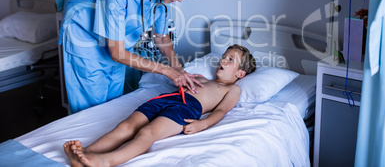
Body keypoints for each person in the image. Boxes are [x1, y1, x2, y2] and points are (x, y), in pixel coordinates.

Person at [63, 44, 256, 167]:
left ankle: (106, 161)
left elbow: (222, 111)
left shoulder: (233, 90)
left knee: (148, 133)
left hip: (186, 109)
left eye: (230, 60)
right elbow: (178, 81)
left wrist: (202, 124)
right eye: (224, 56)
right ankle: (85, 153)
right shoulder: (202, 77)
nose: (223, 60)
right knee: (125, 126)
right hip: (166, 98)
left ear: (240, 74)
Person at [59, 0, 202, 113]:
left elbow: (161, 37)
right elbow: (117, 53)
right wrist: (166, 70)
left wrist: (178, 69)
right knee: (91, 105)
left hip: (118, 43)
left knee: (112, 100)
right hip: (84, 36)